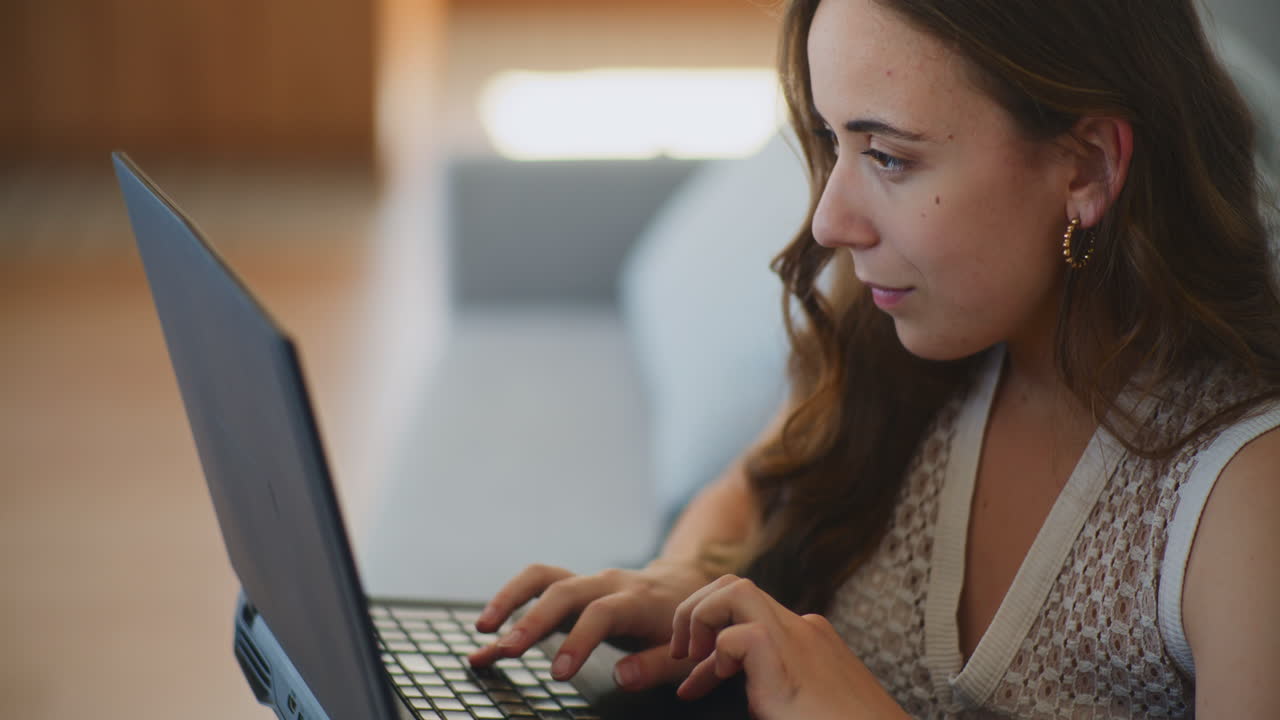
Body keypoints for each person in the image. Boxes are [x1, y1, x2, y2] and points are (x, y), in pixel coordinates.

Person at [469, 0, 1280, 717]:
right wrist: (687, 577)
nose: (828, 221)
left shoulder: (1242, 493)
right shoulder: (908, 331)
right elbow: (755, 487)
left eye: (888, 157)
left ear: (1089, 168)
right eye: (831, 141)